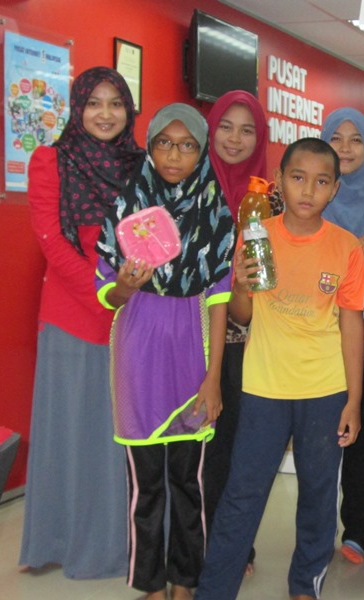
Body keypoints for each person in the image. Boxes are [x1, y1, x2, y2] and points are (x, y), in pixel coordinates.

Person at [195, 138, 364, 600]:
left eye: (321, 181)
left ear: (334, 189)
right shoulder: (256, 235)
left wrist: (353, 399)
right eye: (297, 178)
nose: (308, 190)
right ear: (279, 182)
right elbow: (242, 314)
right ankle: (214, 589)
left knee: (317, 493)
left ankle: (305, 585)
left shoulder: (346, 247)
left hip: (325, 388)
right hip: (263, 386)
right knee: (243, 493)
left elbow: (352, 324)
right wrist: (241, 286)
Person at [95, 103, 235, 600]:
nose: (175, 155)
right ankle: (151, 585)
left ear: (202, 151)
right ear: (150, 146)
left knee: (189, 482)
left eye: (187, 145)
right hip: (137, 355)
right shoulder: (126, 209)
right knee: (146, 485)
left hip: (193, 354)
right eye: (164, 143)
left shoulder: (217, 213)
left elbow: (219, 302)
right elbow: (107, 296)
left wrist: (213, 379)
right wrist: (126, 285)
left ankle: (185, 581)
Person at [21, 66, 144, 579]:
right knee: (71, 433)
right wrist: (104, 295)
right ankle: (62, 542)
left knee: (119, 434)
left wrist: (128, 292)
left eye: (116, 103)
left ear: (129, 110)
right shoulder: (50, 160)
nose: (105, 114)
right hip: (74, 315)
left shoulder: (141, 164)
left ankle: (120, 543)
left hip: (133, 313)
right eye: (94, 103)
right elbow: (51, 240)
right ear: (77, 108)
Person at [204, 90, 272, 575]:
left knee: (235, 449)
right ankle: (192, 543)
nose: (234, 138)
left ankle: (233, 546)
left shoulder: (269, 200)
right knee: (194, 450)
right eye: (225, 127)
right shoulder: (191, 187)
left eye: (247, 130)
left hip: (247, 345)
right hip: (191, 338)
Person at [319, 107, 364, 565]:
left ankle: (357, 529)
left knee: (362, 438)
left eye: (355, 139)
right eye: (336, 138)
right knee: (321, 439)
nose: (345, 147)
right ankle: (318, 528)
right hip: (319, 339)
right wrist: (347, 254)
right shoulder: (313, 196)